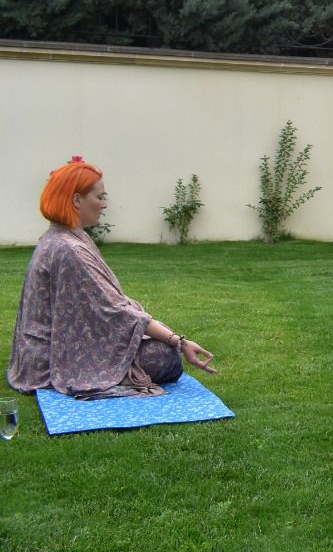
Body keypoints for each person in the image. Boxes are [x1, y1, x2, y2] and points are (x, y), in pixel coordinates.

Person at [7, 157, 217, 400]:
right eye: (99, 197)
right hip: (49, 363)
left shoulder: (64, 237)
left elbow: (105, 304)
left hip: (42, 353)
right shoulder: (68, 248)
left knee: (159, 343)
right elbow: (115, 311)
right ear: (76, 200)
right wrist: (179, 342)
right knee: (165, 357)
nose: (104, 204)